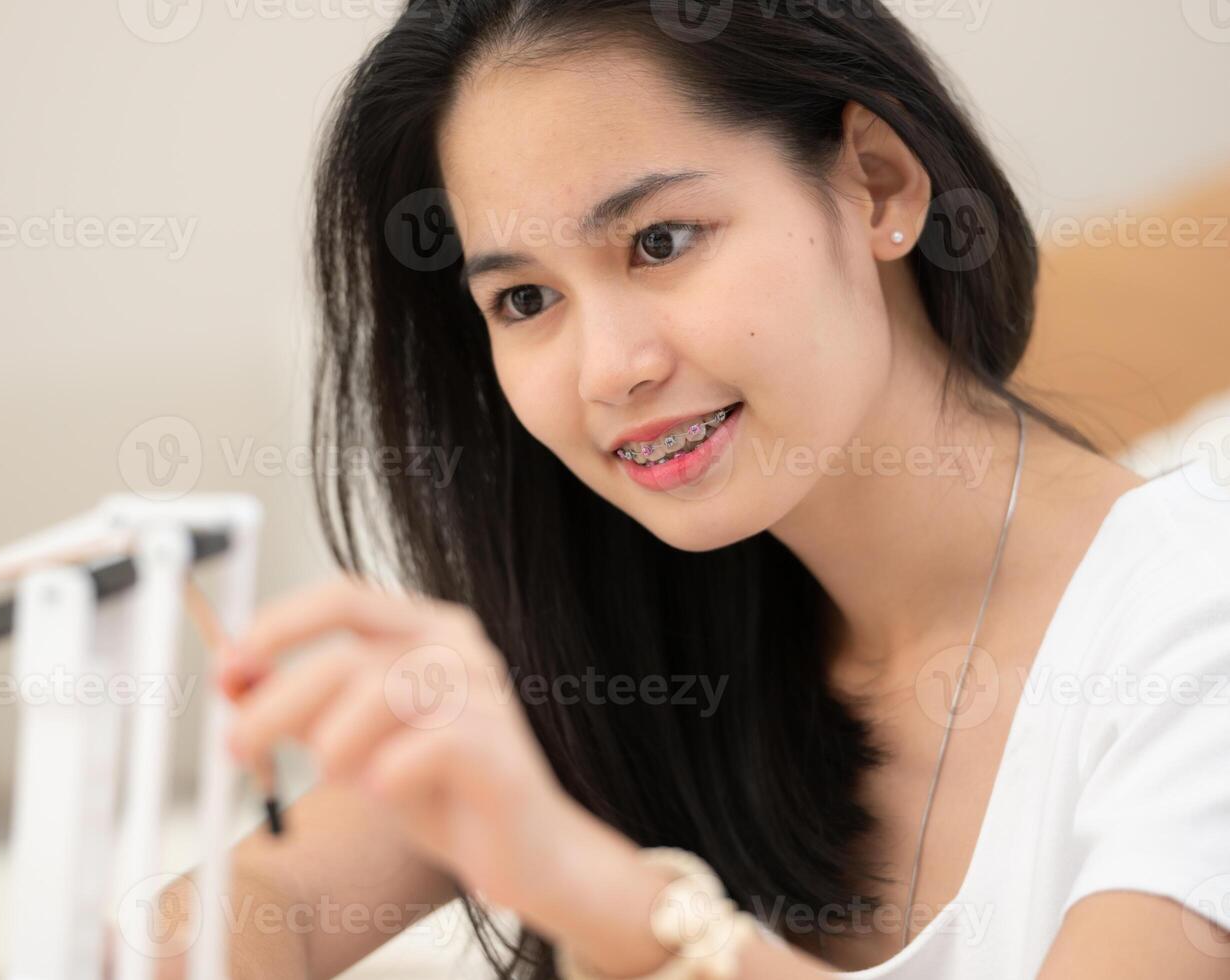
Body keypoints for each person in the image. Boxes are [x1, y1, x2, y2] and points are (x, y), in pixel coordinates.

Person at [155, 2, 1230, 977]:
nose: (607, 369)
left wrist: (599, 890)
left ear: (880, 181)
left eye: (660, 241)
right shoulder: (631, 637)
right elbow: (251, 902)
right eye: (525, 297)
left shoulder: (1194, 623)